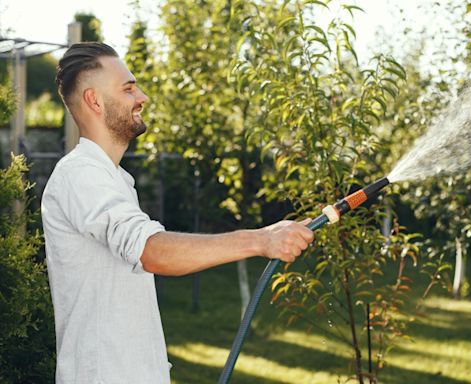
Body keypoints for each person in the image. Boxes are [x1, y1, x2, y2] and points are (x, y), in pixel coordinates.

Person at [41, 42, 314, 384]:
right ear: (95, 100)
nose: (143, 97)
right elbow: (152, 251)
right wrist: (261, 240)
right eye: (128, 88)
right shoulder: (80, 175)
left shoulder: (115, 180)